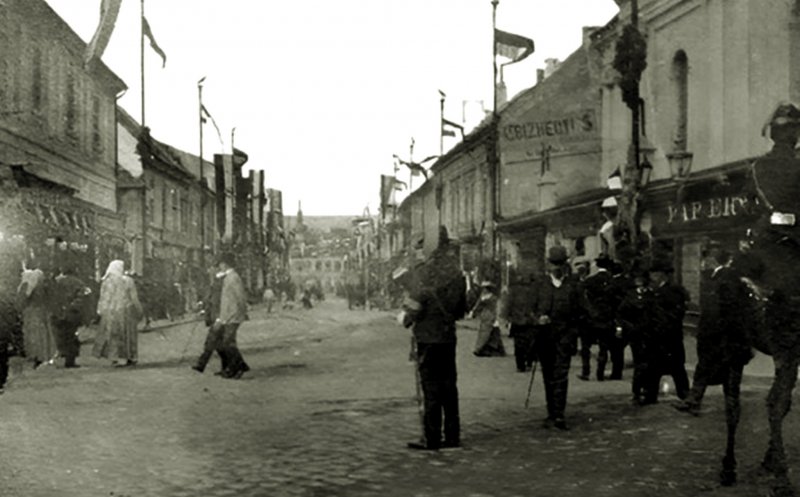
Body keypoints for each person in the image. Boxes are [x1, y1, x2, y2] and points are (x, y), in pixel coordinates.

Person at [402, 227, 467, 450]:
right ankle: (452, 437)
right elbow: (462, 310)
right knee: (449, 387)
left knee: (430, 388)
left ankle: (432, 438)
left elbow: (414, 307)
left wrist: (406, 319)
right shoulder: (457, 273)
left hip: (427, 338)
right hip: (448, 337)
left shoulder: (424, 272)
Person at [675, 247, 755, 415]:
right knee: (726, 374)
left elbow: (719, 310)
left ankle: (695, 402)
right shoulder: (730, 278)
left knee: (710, 369)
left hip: (720, 336)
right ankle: (719, 405)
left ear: (714, 260)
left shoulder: (722, 279)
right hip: (729, 337)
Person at [531, 245, 582, 430]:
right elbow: (531, 309)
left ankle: (559, 414)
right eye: (554, 264)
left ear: (565, 264)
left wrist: (574, 333)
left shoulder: (574, 285)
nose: (557, 268)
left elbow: (580, 312)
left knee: (561, 375)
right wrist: (538, 319)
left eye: (560, 264)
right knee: (548, 375)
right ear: (548, 264)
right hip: (545, 338)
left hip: (565, 337)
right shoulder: (540, 284)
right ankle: (551, 411)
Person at [641, 257, 690, 404]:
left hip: (669, 337)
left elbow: (673, 315)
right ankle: (651, 395)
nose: (652, 277)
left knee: (676, 368)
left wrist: (659, 327)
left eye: (654, 274)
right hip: (657, 338)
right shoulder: (655, 291)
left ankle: (685, 396)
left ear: (662, 275)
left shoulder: (673, 292)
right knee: (653, 368)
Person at [578, 255, 621, 381]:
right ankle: (600, 373)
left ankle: (586, 371)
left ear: (597, 266)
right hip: (606, 318)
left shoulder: (589, 281)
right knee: (604, 346)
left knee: (586, 346)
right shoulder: (613, 282)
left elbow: (582, 297)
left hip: (590, 318)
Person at [93, 260, 143, 367]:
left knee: (113, 335)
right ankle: (130, 357)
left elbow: (103, 298)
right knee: (128, 335)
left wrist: (100, 311)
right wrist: (139, 310)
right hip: (126, 310)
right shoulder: (128, 281)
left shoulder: (106, 281)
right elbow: (134, 298)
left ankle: (114, 357)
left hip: (111, 312)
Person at [617, 268, 653, 404]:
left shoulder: (651, 295)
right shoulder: (630, 296)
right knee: (639, 363)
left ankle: (647, 390)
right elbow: (621, 313)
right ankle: (637, 391)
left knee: (648, 363)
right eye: (637, 279)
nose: (640, 282)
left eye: (642, 279)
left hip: (649, 334)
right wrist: (623, 327)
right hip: (635, 334)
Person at [215, 253, 250, 379]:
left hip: (233, 315)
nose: (219, 267)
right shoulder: (228, 277)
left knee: (227, 342)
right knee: (227, 342)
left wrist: (241, 312)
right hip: (228, 315)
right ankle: (234, 368)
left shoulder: (233, 277)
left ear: (225, 264)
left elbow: (240, 296)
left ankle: (239, 366)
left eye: (221, 264)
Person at [52, 265, 91, 368]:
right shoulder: (79, 283)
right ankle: (70, 359)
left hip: (59, 313)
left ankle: (61, 355)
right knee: (72, 336)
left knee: (61, 335)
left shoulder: (57, 282)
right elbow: (84, 298)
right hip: (73, 313)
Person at [17, 267, 55, 368]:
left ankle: (34, 355)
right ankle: (45, 355)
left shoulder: (26, 285)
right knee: (43, 334)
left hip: (30, 313)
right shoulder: (42, 286)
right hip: (42, 312)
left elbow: (21, 299)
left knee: (32, 335)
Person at [192, 269, 228, 374]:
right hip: (215, 318)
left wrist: (218, 317)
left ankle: (201, 365)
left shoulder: (219, 287)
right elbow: (210, 302)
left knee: (211, 342)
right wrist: (204, 309)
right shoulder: (214, 287)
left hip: (218, 319)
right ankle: (226, 367)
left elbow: (217, 303)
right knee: (218, 345)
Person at [501, 270, 537, 372]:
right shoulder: (533, 291)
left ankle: (521, 365)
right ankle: (527, 362)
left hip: (519, 321)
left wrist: (507, 318)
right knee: (530, 343)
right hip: (528, 321)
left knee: (520, 344)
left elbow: (507, 306)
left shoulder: (514, 291)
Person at [471, 281, 505, 357]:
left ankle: (480, 348)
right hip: (486, 316)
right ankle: (495, 349)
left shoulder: (492, 298)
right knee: (491, 333)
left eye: (485, 289)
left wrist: (496, 318)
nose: (484, 290)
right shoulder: (486, 297)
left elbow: (495, 308)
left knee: (487, 333)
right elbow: (478, 306)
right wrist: (474, 312)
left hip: (490, 316)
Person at [0, 287, 23, 393]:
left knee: (2, 357)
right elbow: (12, 317)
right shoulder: (5, 300)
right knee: (2, 357)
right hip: (3, 332)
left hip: (3, 332)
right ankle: (1, 380)